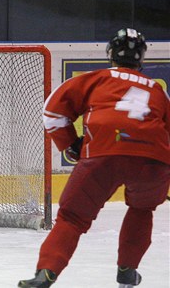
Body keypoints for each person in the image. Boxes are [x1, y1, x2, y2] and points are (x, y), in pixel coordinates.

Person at [18, 28, 170, 288]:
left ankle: (46, 273)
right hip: (154, 160)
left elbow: (53, 112)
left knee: (72, 217)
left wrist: (71, 145)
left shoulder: (95, 79)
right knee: (142, 209)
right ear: (141, 58)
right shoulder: (158, 91)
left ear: (111, 55)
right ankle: (127, 271)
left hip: (103, 155)